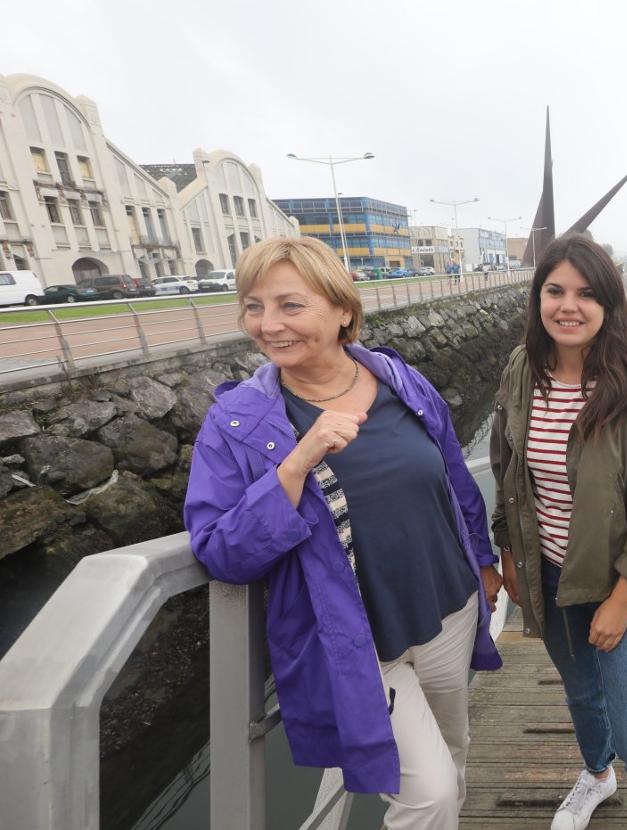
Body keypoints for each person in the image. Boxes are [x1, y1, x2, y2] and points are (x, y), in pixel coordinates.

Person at [183, 237, 504, 830]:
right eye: (253, 306)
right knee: (427, 794)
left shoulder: (400, 381)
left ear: (342, 311)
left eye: (290, 305)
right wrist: (296, 464)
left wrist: (483, 561)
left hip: (448, 611)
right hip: (360, 641)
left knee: (452, 756)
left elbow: (454, 476)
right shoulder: (237, 424)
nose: (267, 324)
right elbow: (219, 548)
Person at [490, 233, 627, 829]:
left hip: (620, 579)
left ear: (608, 305)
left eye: (585, 293)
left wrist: (624, 598)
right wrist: (508, 555)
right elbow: (506, 470)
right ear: (538, 297)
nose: (568, 306)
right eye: (555, 290)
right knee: (580, 694)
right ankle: (597, 775)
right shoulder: (522, 370)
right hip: (546, 571)